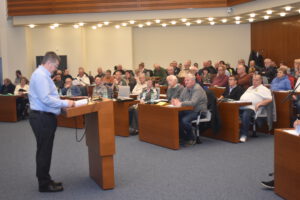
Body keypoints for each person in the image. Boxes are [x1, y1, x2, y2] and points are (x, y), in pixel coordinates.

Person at [28, 51, 74, 192]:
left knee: (44, 150)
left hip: (43, 117)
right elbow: (46, 99)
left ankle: (45, 179)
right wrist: (65, 103)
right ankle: (44, 184)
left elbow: (48, 97)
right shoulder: (40, 76)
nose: (56, 69)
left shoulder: (42, 75)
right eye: (55, 66)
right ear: (49, 63)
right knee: (44, 151)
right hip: (42, 118)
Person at [172, 73, 207, 146]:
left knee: (184, 120)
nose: (186, 82)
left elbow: (193, 103)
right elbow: (180, 99)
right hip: (188, 110)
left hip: (198, 111)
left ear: (193, 81)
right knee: (174, 117)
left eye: (188, 80)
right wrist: (176, 101)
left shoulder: (197, 89)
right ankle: (183, 136)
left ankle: (191, 138)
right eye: (185, 80)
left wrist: (181, 103)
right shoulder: (185, 89)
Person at [239, 74, 272, 143]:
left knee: (246, 114)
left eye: (257, 80)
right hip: (240, 105)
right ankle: (233, 133)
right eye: (253, 80)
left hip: (251, 107)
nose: (254, 81)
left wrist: (260, 103)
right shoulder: (250, 88)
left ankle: (244, 135)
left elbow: (269, 99)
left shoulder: (264, 89)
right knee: (230, 111)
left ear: (261, 80)